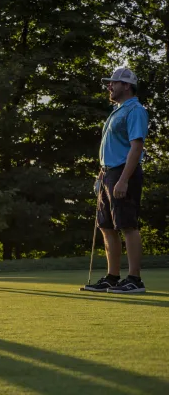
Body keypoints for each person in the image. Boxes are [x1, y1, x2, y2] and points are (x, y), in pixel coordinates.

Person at [82, 67, 148, 294]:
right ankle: (112, 277)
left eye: (114, 83)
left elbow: (136, 146)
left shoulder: (135, 110)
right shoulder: (117, 110)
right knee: (107, 226)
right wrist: (103, 174)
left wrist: (123, 179)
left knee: (127, 225)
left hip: (123, 172)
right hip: (108, 173)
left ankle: (134, 279)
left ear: (127, 85)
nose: (109, 86)